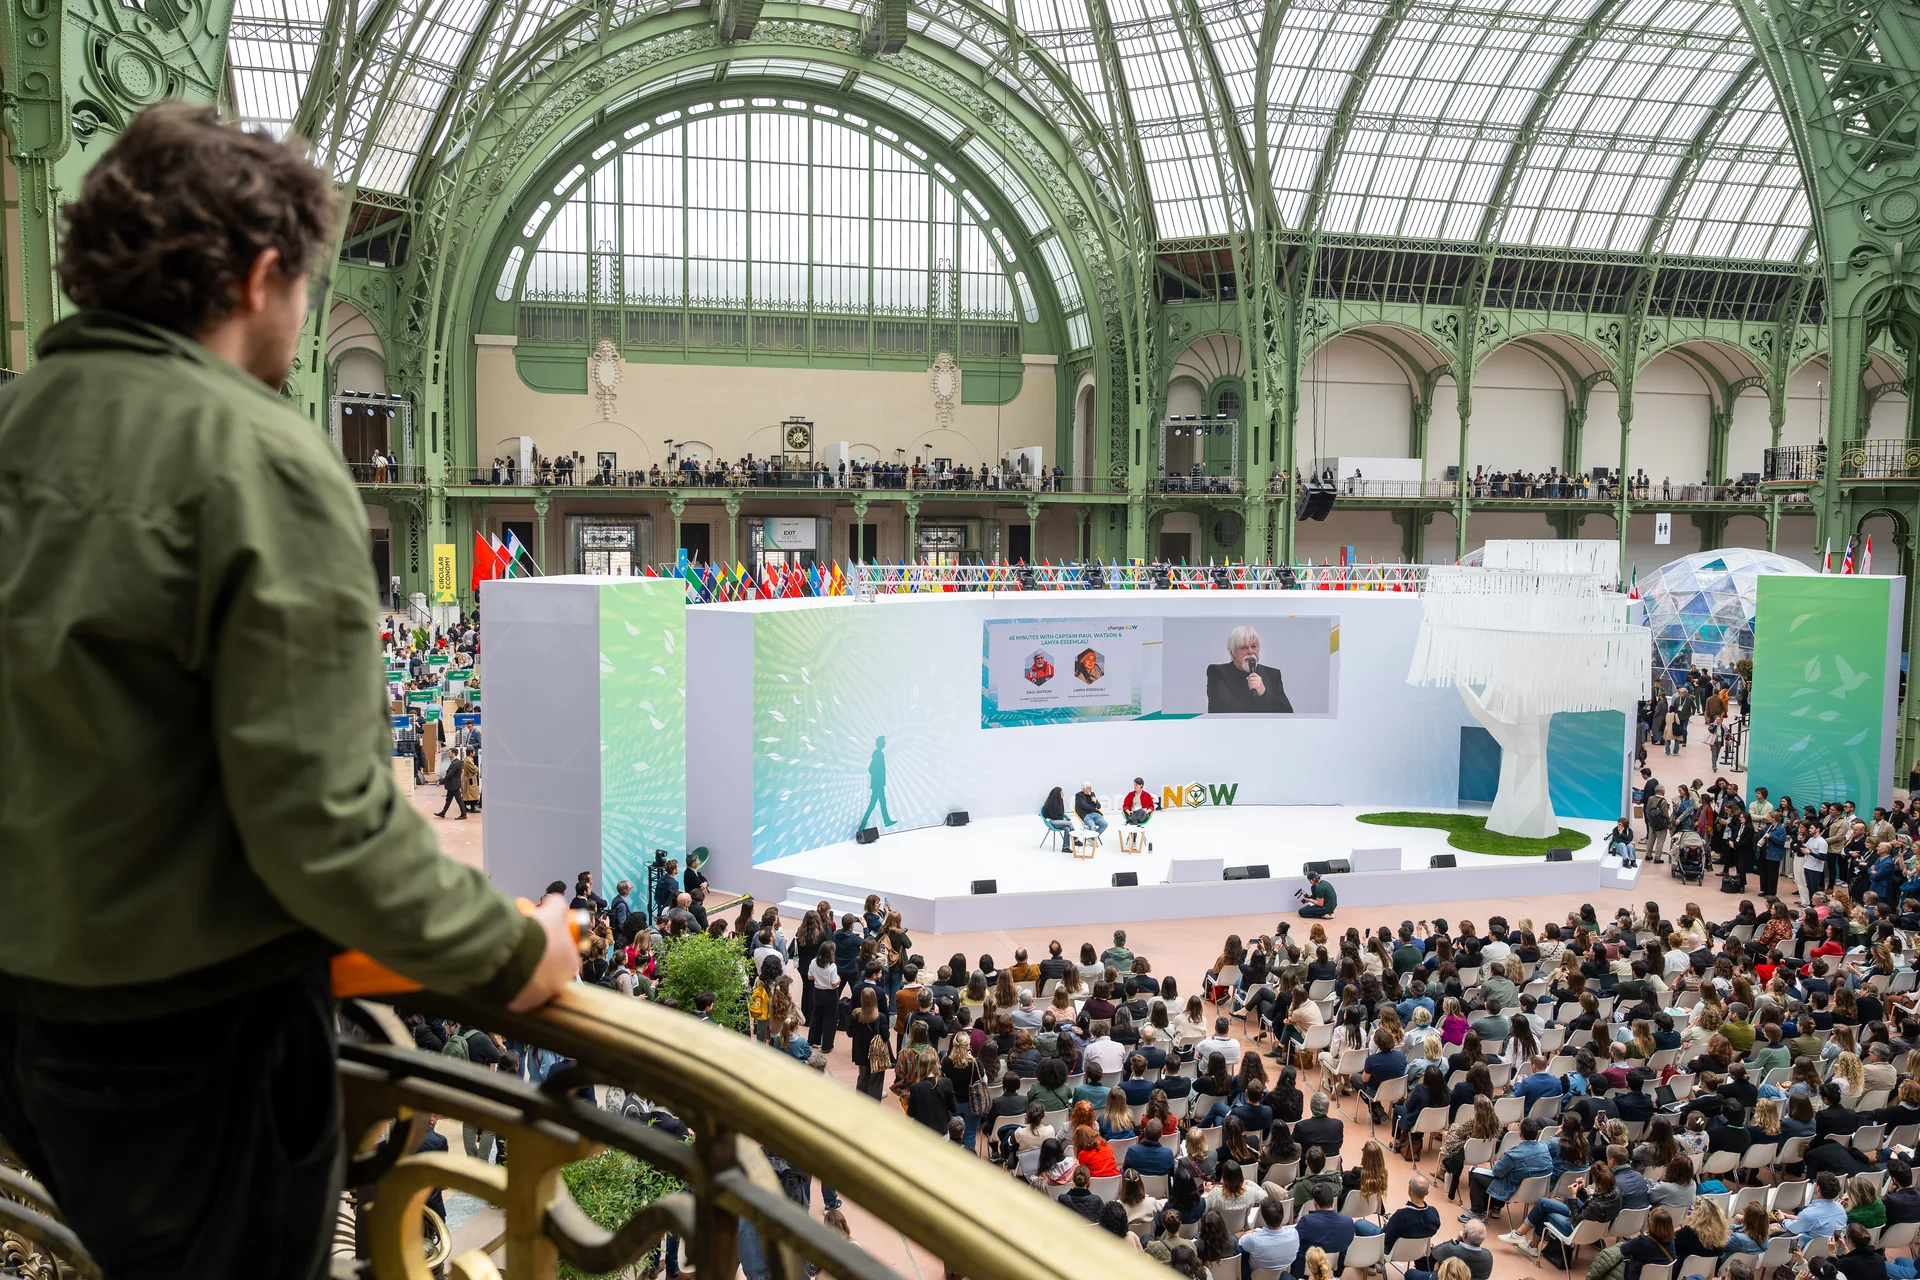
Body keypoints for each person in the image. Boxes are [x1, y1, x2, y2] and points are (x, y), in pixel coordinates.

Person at [0, 103, 581, 1280]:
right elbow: (320, 822)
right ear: (263, 276)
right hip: (188, 1041)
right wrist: (511, 952)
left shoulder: (17, 424)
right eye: (306, 285)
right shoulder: (253, 457)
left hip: (29, 1019)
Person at [1207, 624, 1294, 713]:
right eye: (1244, 647)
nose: (1250, 651)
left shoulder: (1272, 674)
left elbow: (1287, 712)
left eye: (1254, 646)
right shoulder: (1217, 672)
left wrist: (1264, 693)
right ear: (1232, 653)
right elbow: (1220, 708)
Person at [437, 747, 471, 819]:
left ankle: (463, 814)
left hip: (454, 784)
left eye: (449, 753)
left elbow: (449, 775)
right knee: (448, 800)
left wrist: (440, 782)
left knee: (459, 800)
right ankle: (443, 813)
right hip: (452, 785)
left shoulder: (455, 763)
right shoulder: (456, 762)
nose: (448, 754)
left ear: (453, 753)